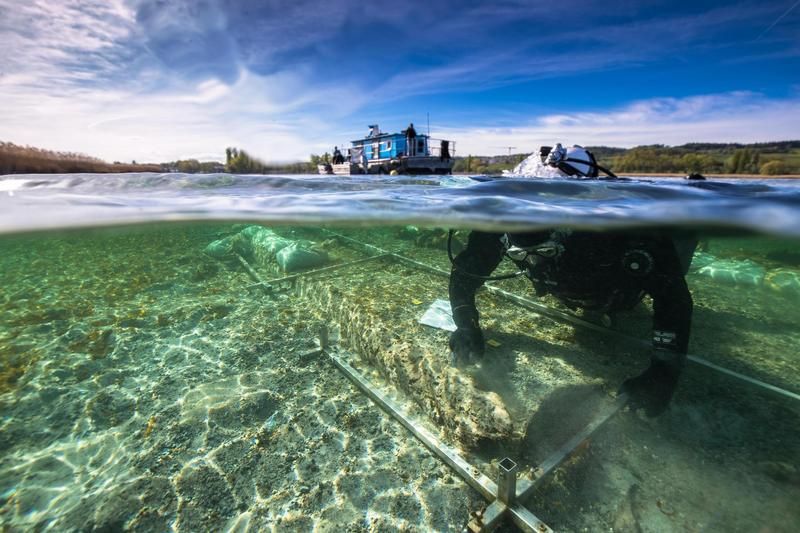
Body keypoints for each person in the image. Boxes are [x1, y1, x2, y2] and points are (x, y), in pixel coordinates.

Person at [448, 144, 696, 417]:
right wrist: (466, 324)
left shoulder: (619, 228)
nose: (534, 263)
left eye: (545, 252)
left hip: (623, 292)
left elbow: (672, 297)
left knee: (678, 253)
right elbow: (465, 273)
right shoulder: (501, 224)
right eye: (523, 255)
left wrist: (664, 369)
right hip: (580, 292)